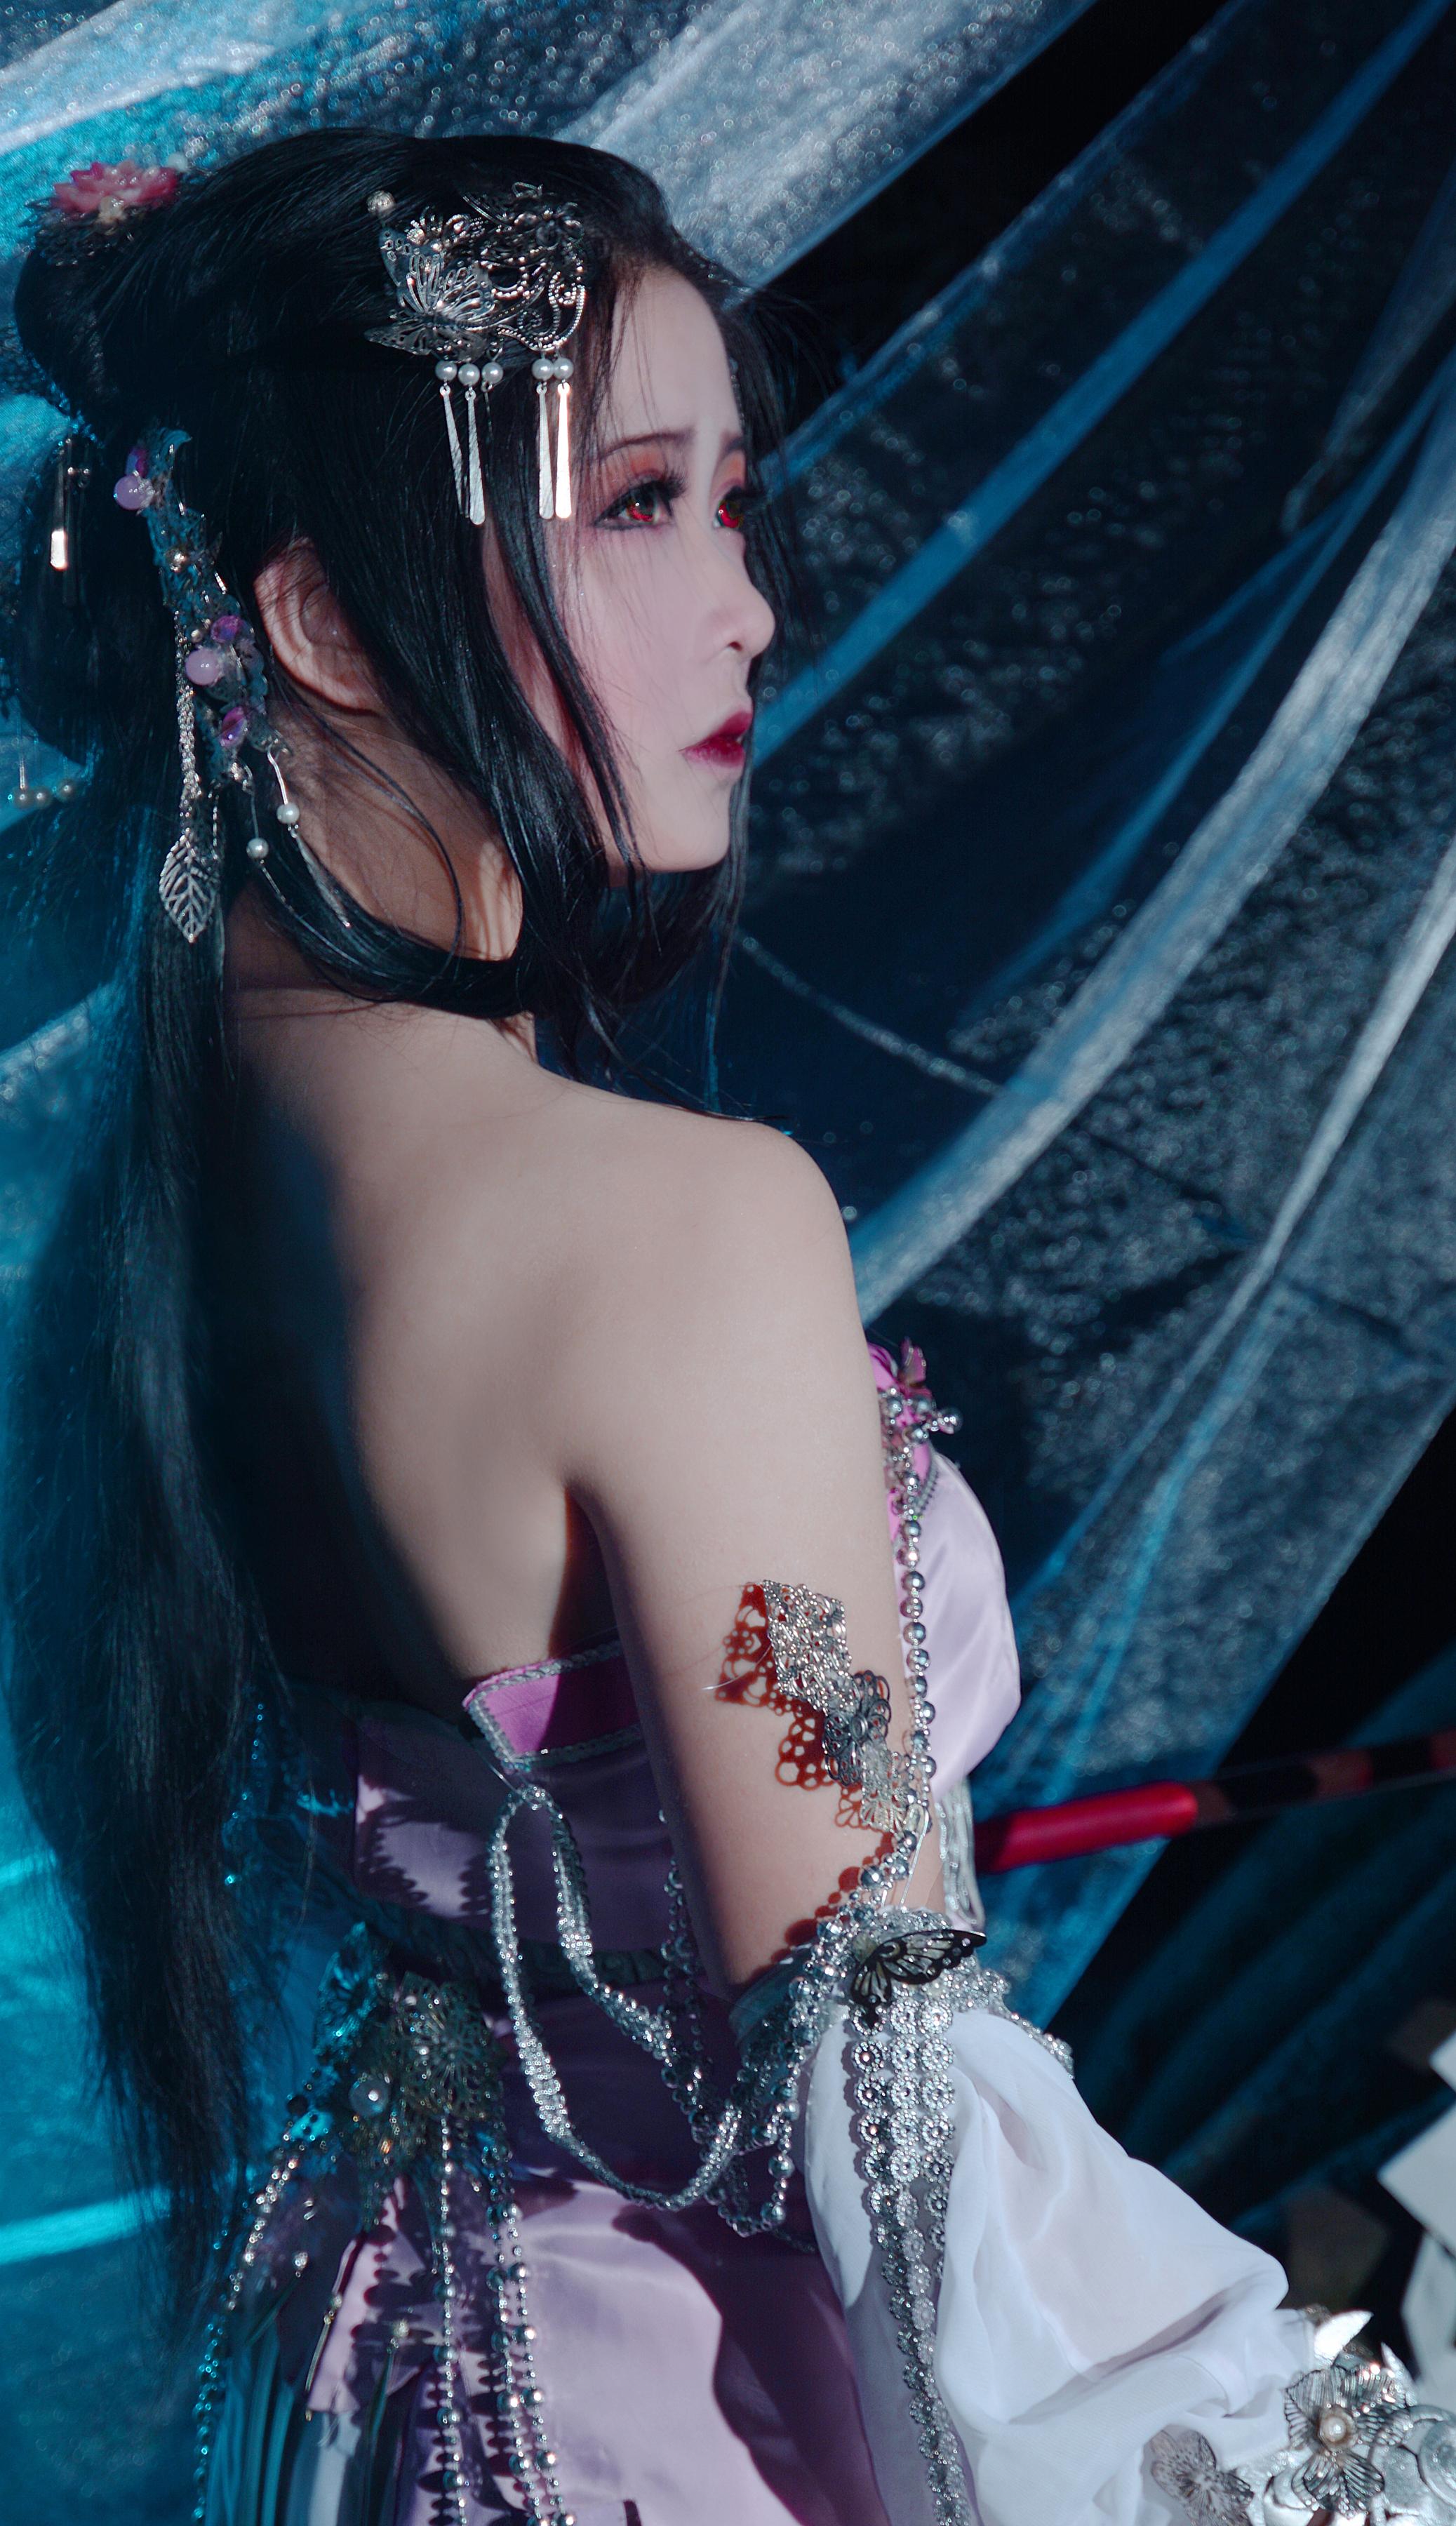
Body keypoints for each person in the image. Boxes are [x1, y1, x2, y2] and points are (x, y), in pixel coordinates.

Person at [1, 128, 1448, 2526]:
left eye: (734, 504)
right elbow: (888, 2092)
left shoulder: (144, 1248)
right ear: (326, 624)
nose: (753, 610)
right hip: (703, 2416)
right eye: (641, 505)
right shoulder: (660, 1224)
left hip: (376, 2395)